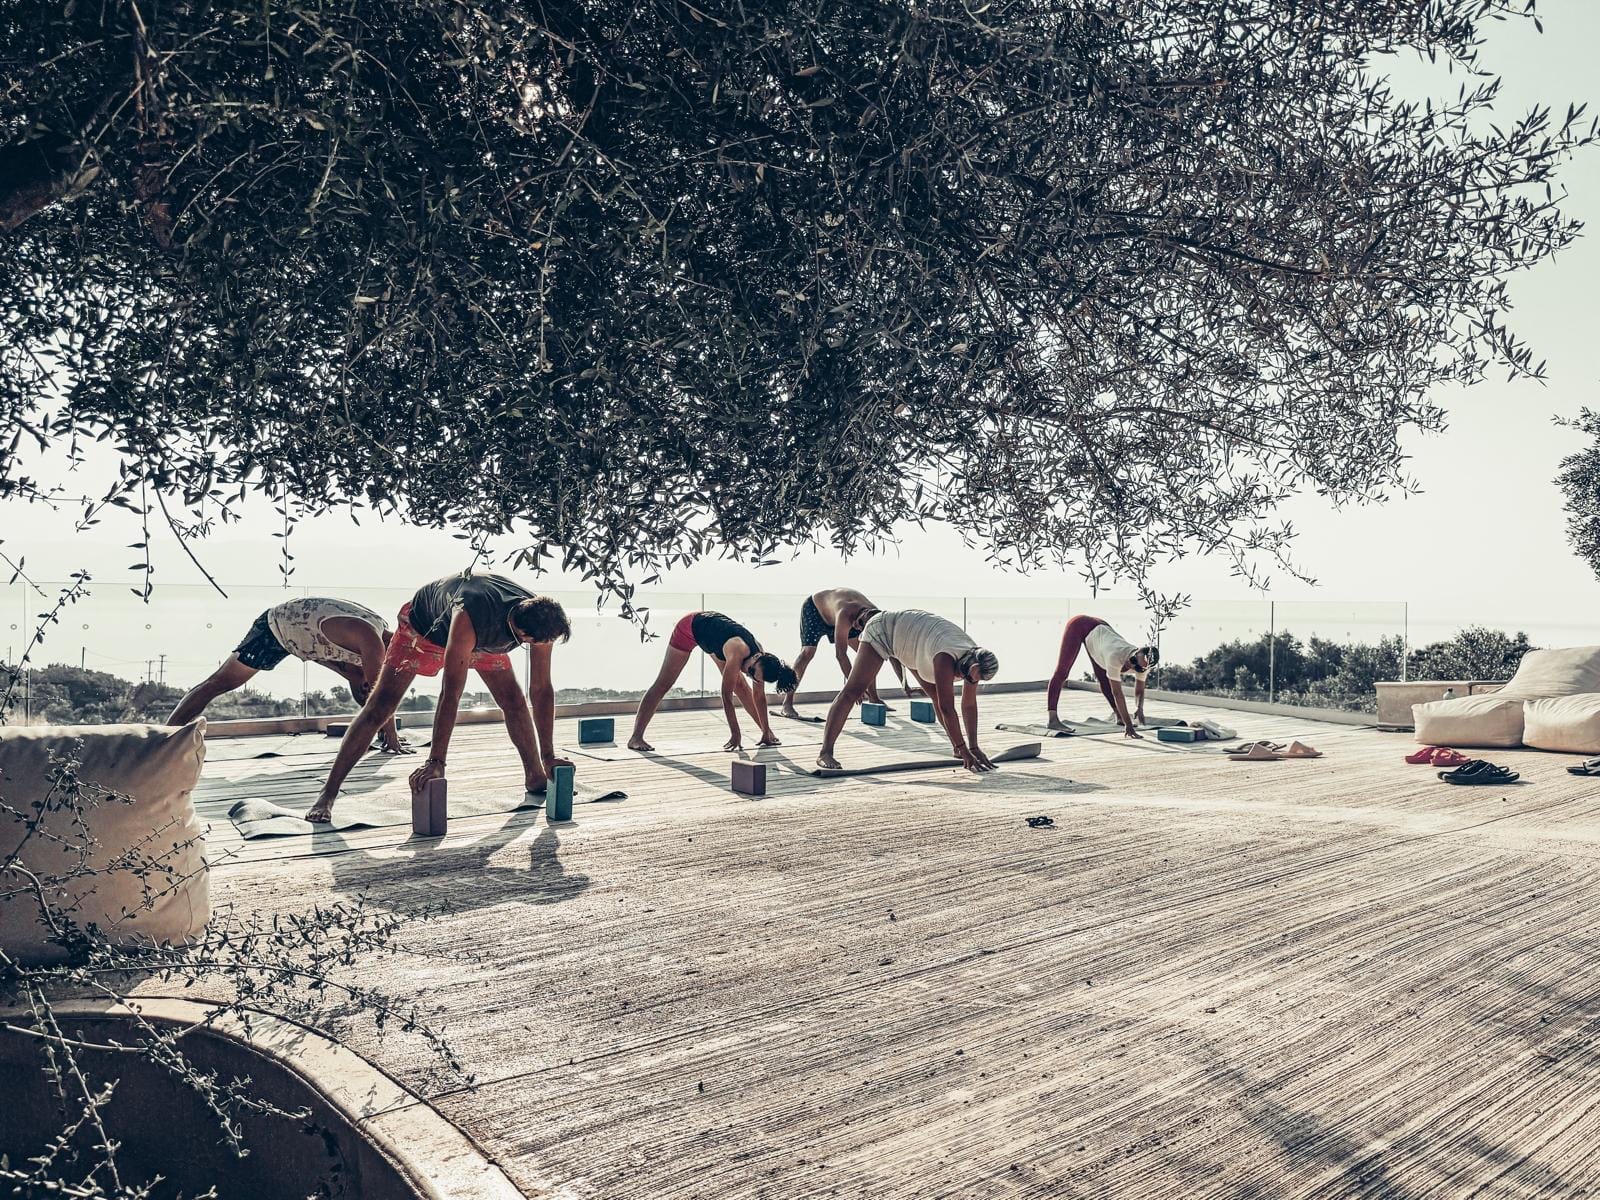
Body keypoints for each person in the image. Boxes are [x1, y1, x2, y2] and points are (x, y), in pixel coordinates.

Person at [304, 572, 572, 823]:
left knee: (513, 700)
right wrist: (436, 761)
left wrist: (548, 754)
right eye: (533, 643)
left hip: (485, 634)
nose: (538, 648)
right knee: (379, 707)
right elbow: (451, 693)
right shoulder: (470, 617)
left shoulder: (540, 617)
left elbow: (541, 689)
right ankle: (328, 794)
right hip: (423, 629)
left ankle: (536, 775)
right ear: (522, 634)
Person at [169, 597, 408, 753]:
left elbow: (367, 685)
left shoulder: (380, 631)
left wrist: (387, 732)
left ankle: (380, 734)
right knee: (218, 683)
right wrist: (394, 739)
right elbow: (382, 696)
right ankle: (165, 738)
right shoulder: (371, 641)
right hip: (276, 629)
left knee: (361, 680)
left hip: (307, 639)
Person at [817, 608, 999, 772]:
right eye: (964, 672)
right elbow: (947, 708)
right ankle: (825, 752)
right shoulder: (946, 658)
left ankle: (957, 749)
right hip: (885, 629)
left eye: (970, 678)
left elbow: (968, 705)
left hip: (915, 644)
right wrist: (964, 746)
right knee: (853, 691)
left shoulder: (976, 665)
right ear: (968, 660)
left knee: (936, 695)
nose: (963, 677)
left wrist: (973, 747)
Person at [628, 611, 798, 752]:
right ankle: (636, 738)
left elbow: (759, 697)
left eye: (753, 676)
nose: (748, 674)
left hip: (714, 641)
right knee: (663, 684)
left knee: (742, 686)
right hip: (689, 628)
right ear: (755, 658)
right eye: (751, 671)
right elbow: (726, 696)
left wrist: (766, 730)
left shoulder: (761, 662)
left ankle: (766, 733)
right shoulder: (738, 650)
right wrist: (736, 733)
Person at [781, 587, 911, 717]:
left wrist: (904, 683)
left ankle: (873, 698)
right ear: (857, 620)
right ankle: (787, 703)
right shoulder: (845, 614)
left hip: (846, 613)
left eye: (859, 628)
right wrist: (854, 689)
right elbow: (840, 655)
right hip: (816, 609)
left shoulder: (880, 619)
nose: (856, 628)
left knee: (870, 654)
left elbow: (894, 654)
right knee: (807, 653)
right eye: (857, 625)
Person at [1046, 614, 1158, 738]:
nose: (1131, 663)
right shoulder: (1115, 656)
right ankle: (1052, 719)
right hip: (1080, 625)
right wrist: (1129, 725)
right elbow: (1118, 694)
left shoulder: (1144, 664)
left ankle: (1119, 715)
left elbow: (1139, 691)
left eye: (1136, 666)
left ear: (1143, 668)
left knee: (1104, 678)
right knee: (1062, 671)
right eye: (1132, 659)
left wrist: (1139, 708)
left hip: (1101, 635)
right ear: (1136, 652)